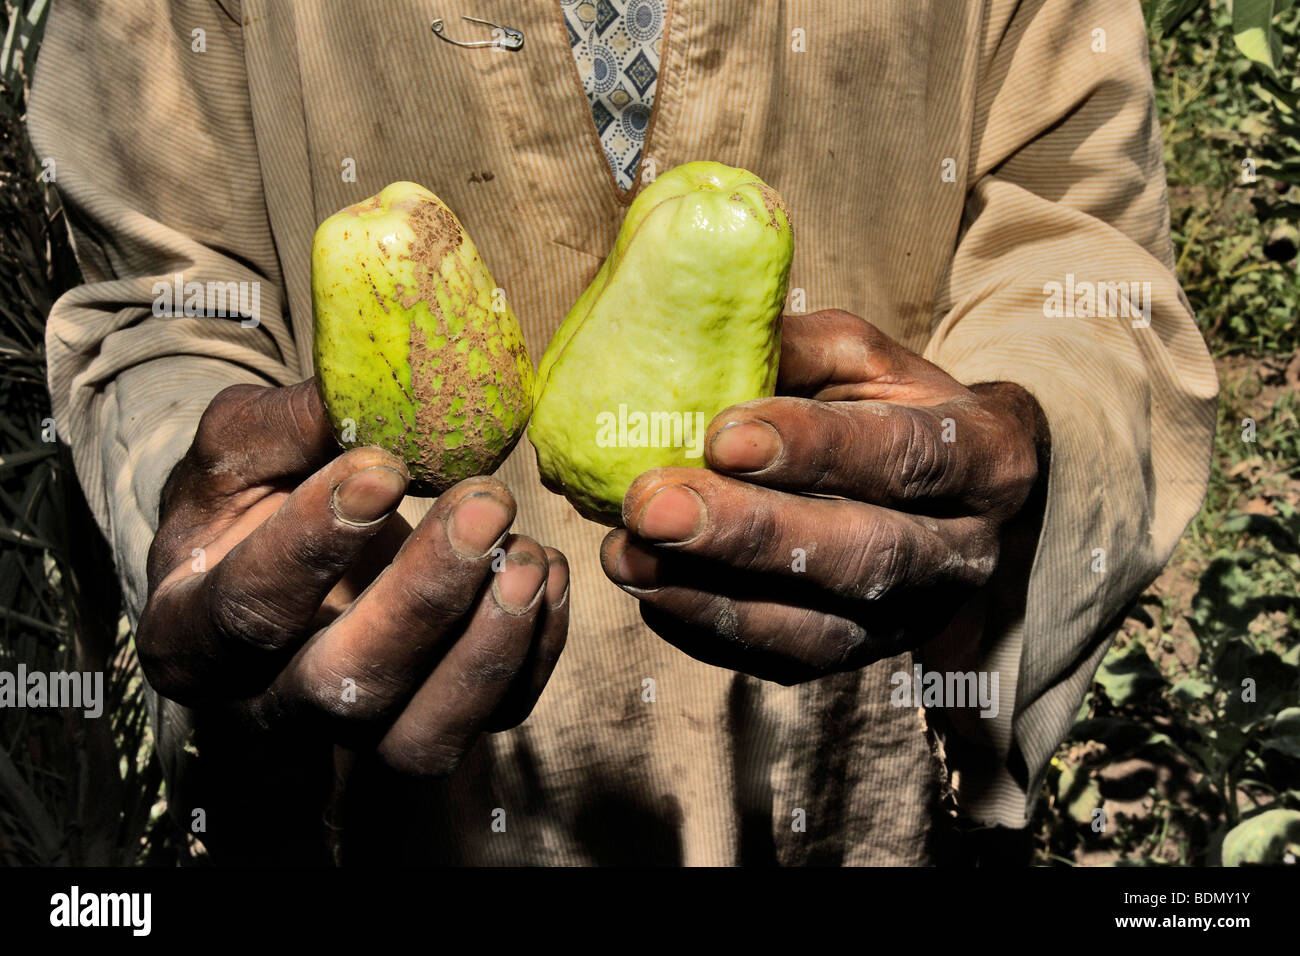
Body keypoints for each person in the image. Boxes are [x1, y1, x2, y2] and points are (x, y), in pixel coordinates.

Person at [28, 0, 1217, 865]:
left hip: (858, 768)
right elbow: (162, 295)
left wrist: (1017, 441)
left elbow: (1081, 239)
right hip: (368, 810)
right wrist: (220, 535)